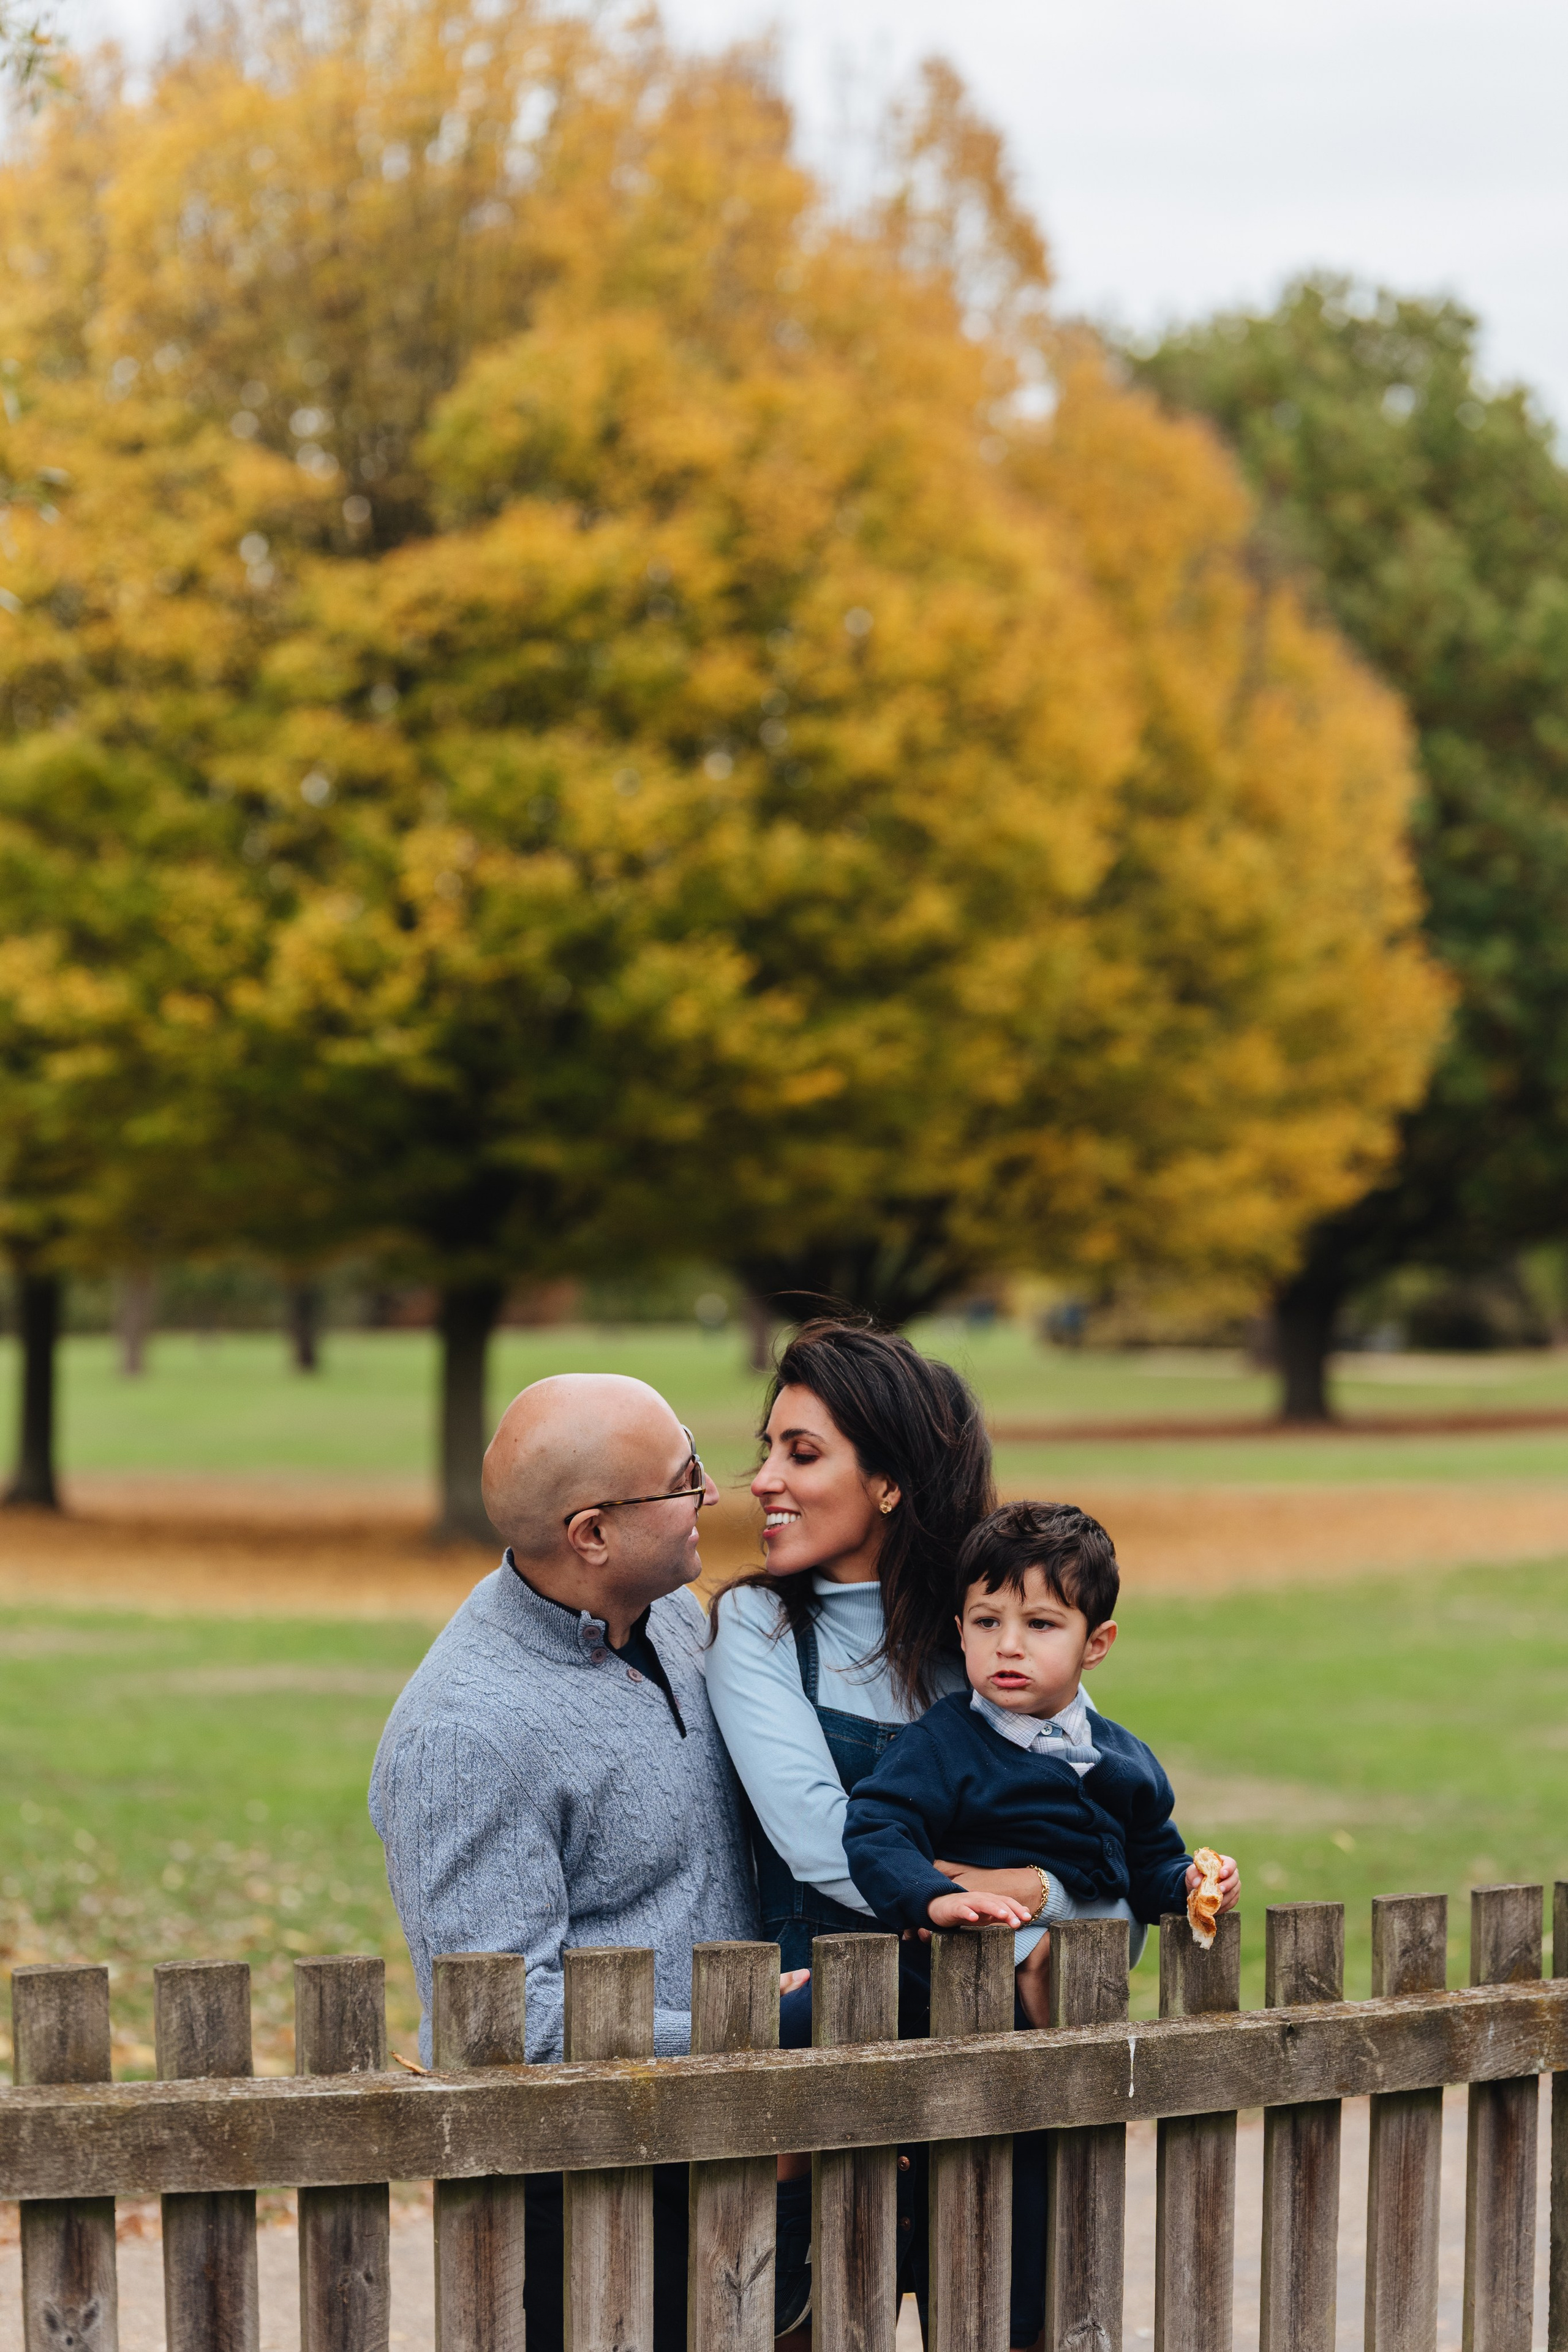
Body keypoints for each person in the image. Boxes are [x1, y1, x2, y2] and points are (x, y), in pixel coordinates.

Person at [369, 1372, 801, 2352]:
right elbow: (506, 2021)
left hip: (726, 2166)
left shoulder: (677, 1618)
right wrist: (759, 2028)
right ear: (592, 1534)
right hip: (584, 2208)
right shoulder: (464, 1735)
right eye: (684, 1478)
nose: (714, 1497)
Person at [842, 1498, 1241, 2350]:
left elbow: (1149, 1860)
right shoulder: (946, 1744)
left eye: (1041, 1623)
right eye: (986, 1621)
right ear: (959, 1631)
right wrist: (929, 1895)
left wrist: (1193, 1882)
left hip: (1077, 1981)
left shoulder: (1122, 1756)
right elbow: (877, 1826)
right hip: (963, 1981)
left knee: (1041, 2201)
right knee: (970, 2178)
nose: (1008, 1645)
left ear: (1096, 1643)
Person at [705, 1317, 997, 1968]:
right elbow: (818, 1837)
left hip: (1003, 2030)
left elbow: (1103, 1851)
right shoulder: (759, 1625)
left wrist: (1047, 1890)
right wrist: (1003, 1903)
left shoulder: (994, 1630)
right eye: (769, 1449)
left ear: (889, 1483)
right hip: (832, 2027)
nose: (761, 1480)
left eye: (800, 1454)